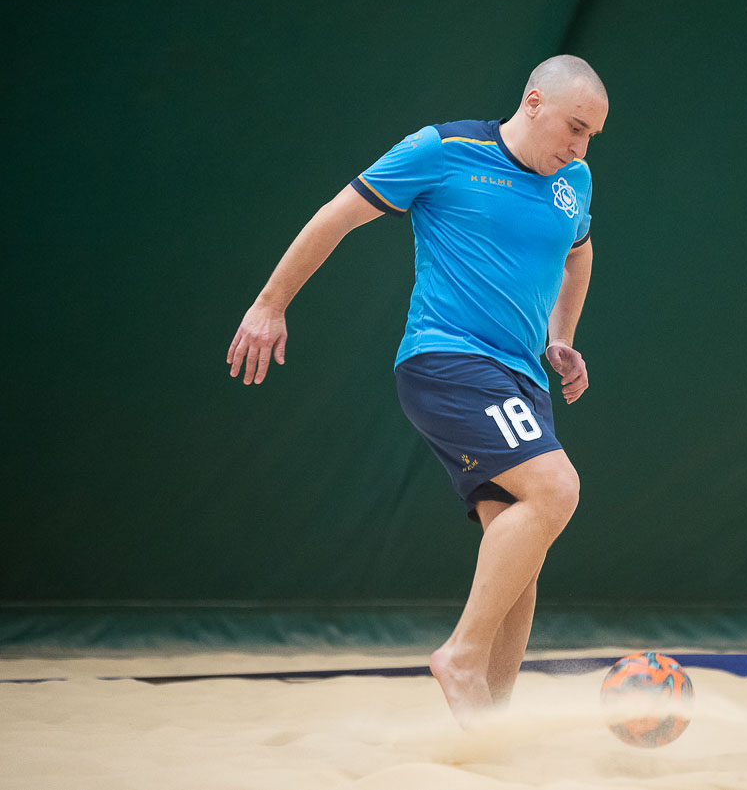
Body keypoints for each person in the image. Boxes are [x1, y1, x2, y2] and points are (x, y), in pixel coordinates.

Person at [225, 55, 608, 726]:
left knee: (519, 556)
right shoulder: (444, 150)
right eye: (575, 127)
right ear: (534, 102)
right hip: (449, 361)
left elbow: (580, 253)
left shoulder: (572, 181)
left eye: (592, 137)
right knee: (556, 489)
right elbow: (336, 216)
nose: (580, 147)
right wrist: (269, 303)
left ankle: (488, 727)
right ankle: (461, 655)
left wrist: (561, 336)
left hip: (521, 376)